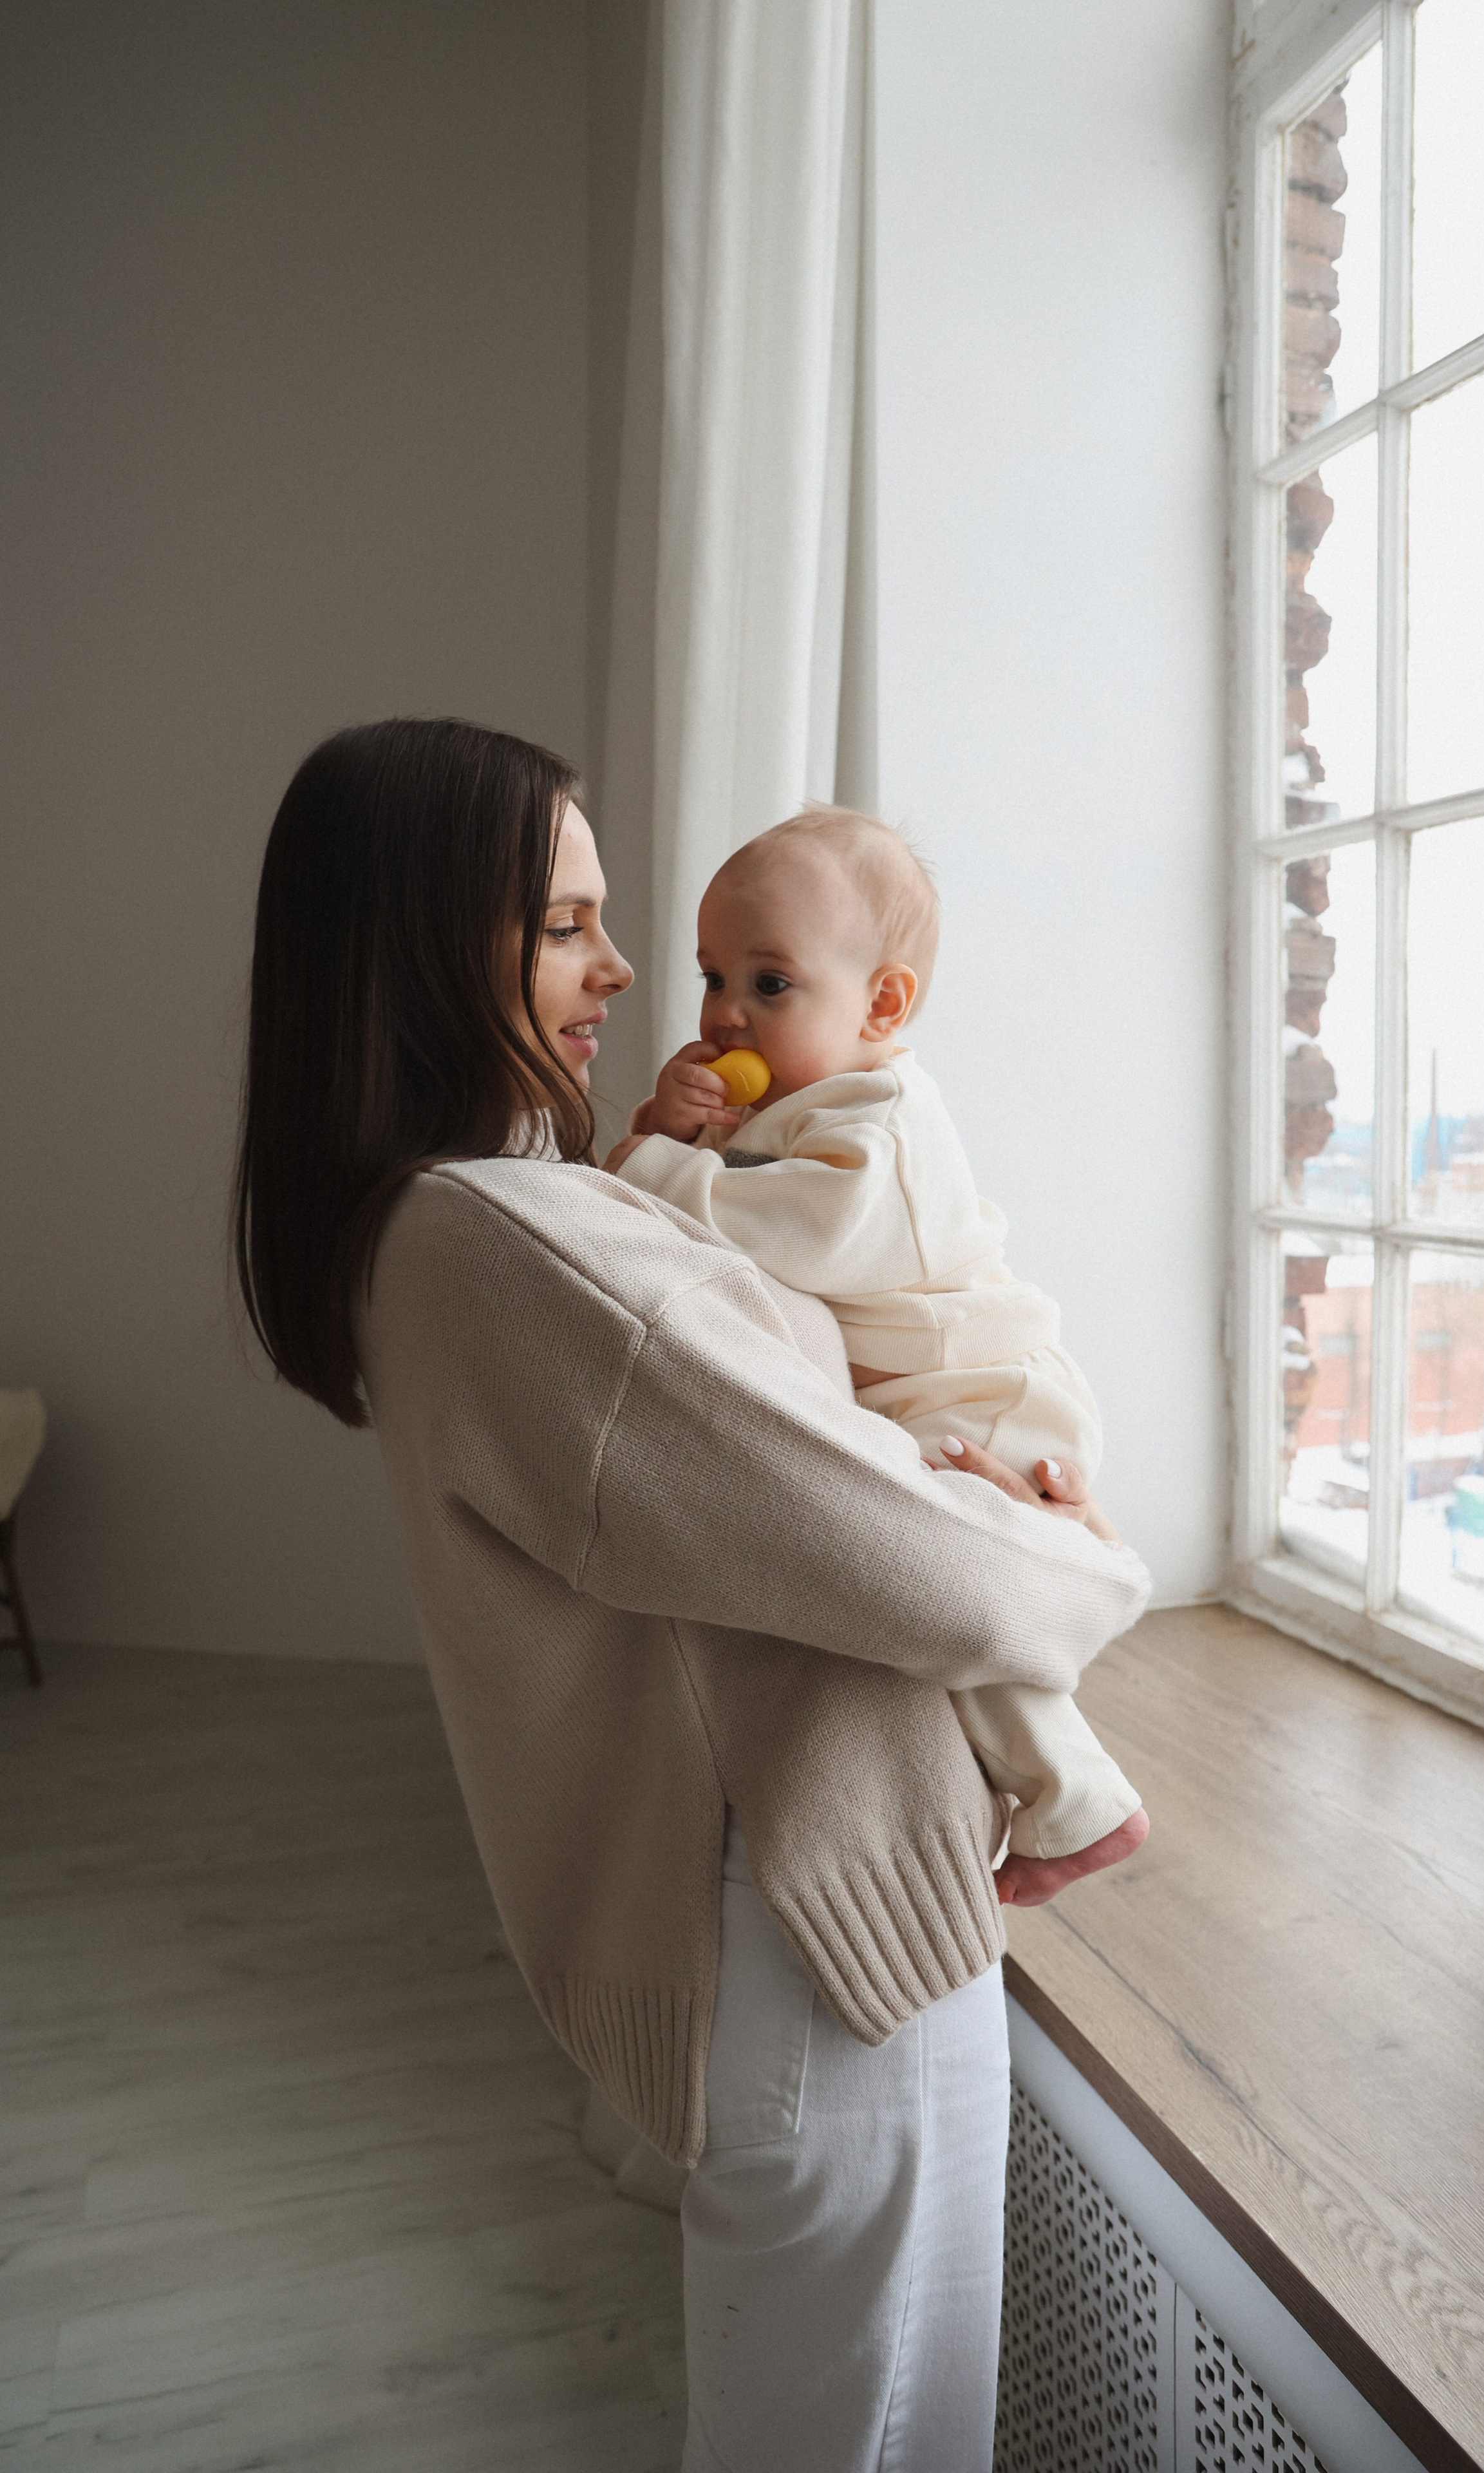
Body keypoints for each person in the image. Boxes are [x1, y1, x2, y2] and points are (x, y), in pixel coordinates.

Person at [234, 718, 1153, 2473]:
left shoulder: (507, 1221)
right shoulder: (506, 1242)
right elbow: (916, 1563)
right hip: (807, 1934)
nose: (633, 968)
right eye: (570, 921)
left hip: (818, 1913)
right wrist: (1091, 1555)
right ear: (433, 943)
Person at [608, 806, 1145, 1873]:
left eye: (770, 984)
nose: (724, 1014)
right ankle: (1065, 1797)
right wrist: (668, 1125)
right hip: (936, 1389)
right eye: (712, 977)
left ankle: (1079, 1806)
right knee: (942, 1605)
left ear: (883, 1002)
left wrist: (651, 1167)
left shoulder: (887, 1128)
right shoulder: (799, 1107)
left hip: (980, 1390)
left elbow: (786, 1231)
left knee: (956, 1605)